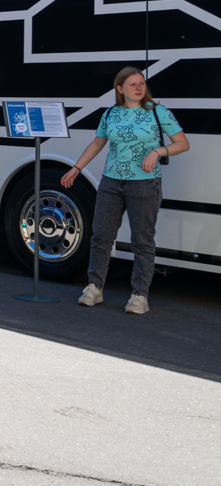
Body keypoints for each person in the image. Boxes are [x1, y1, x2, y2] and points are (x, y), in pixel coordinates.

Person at [62, 66, 188, 315]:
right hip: (111, 182)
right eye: (133, 84)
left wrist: (158, 151)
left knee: (142, 241)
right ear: (119, 89)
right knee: (101, 237)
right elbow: (98, 142)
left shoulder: (158, 112)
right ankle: (94, 288)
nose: (139, 88)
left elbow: (182, 143)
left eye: (142, 83)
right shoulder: (111, 113)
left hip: (145, 183)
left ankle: (140, 295)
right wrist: (77, 167)